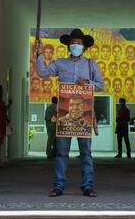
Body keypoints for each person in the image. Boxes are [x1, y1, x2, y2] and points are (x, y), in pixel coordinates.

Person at [35, 28, 103, 198]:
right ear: (68, 45)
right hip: (64, 114)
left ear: (84, 46)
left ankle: (87, 186)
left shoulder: (91, 64)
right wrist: (39, 54)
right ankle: (58, 186)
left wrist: (87, 83)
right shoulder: (59, 64)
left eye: (78, 43)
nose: (75, 45)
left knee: (86, 153)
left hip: (85, 115)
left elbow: (101, 85)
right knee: (61, 152)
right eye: (73, 43)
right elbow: (43, 73)